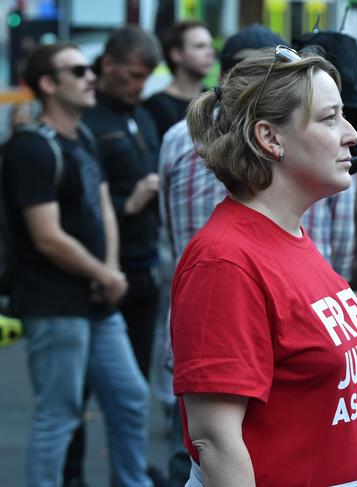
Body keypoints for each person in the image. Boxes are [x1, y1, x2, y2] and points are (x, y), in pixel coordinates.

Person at [172, 47, 357, 486]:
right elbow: (216, 441)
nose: (352, 135)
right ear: (270, 138)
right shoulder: (224, 261)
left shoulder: (290, 236)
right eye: (329, 118)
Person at [1, 42, 151, 487]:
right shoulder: (30, 148)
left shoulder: (82, 136)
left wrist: (110, 271)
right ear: (48, 84)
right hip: (54, 303)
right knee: (58, 415)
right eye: (78, 70)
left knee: (130, 397)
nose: (91, 77)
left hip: (98, 299)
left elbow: (103, 204)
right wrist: (104, 273)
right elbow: (46, 236)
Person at [158, 24, 286, 487]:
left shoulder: (177, 136)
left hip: (250, 316)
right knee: (207, 443)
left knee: (202, 444)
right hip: (224, 314)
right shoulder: (186, 140)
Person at [84, 25, 162, 379]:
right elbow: (77, 199)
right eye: (134, 76)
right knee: (76, 395)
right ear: (108, 65)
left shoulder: (142, 117)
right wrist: (126, 204)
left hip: (144, 266)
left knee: (135, 390)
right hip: (100, 270)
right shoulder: (86, 119)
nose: (140, 85)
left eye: (145, 77)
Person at [144, 21, 215, 140]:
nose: (210, 52)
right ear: (176, 54)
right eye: (200, 46)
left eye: (210, 46)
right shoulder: (155, 106)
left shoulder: (214, 100)